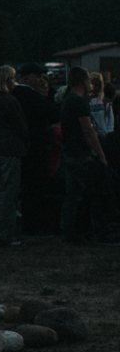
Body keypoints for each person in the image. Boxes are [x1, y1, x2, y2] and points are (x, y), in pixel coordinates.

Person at [59, 66, 115, 244]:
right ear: (84, 81)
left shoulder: (67, 100)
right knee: (98, 193)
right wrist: (101, 155)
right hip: (81, 154)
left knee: (72, 196)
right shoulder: (80, 102)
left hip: (68, 153)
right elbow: (88, 131)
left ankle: (69, 232)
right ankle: (100, 233)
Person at [0, 64, 29, 247]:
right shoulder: (10, 101)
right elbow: (21, 126)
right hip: (9, 149)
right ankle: (3, 233)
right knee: (8, 192)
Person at [14, 65, 60, 236]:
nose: (41, 80)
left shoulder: (19, 94)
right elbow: (52, 114)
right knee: (34, 187)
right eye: (38, 76)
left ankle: (29, 224)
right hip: (36, 146)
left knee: (28, 187)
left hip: (26, 145)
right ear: (27, 77)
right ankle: (33, 226)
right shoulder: (29, 96)